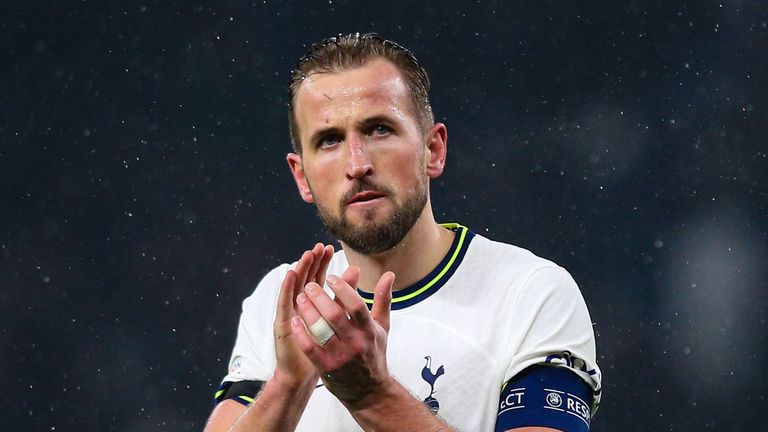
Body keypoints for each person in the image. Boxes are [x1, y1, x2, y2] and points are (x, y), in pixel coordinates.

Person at [204, 33, 602, 432]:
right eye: (329, 140)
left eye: (379, 129)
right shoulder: (281, 300)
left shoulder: (530, 293)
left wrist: (371, 394)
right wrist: (287, 386)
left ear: (433, 150)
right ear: (301, 176)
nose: (357, 164)